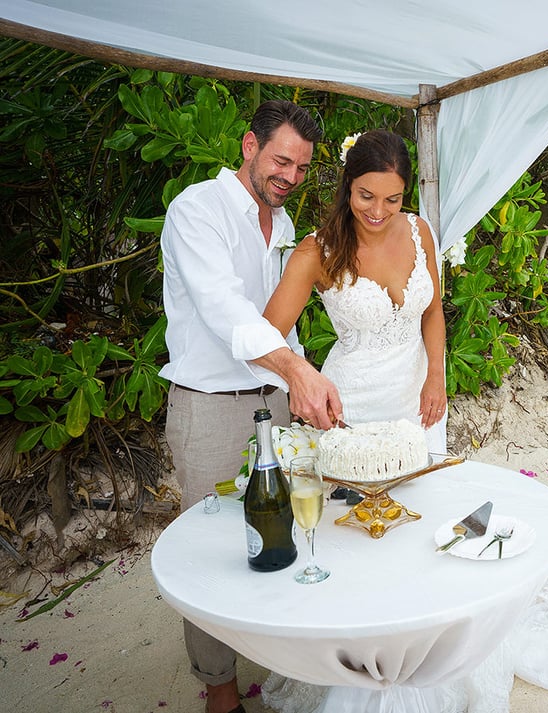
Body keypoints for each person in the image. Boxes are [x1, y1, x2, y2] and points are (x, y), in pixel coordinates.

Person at [160, 99, 342, 713]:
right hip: (209, 408)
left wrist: (300, 382)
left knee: (280, 532)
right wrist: (297, 368)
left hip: (274, 407)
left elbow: (278, 326)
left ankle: (274, 658)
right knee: (212, 553)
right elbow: (226, 313)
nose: (289, 175)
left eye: (300, 167)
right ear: (248, 145)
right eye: (280, 160)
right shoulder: (196, 210)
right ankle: (220, 691)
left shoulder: (285, 228)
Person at [264, 129, 447, 448]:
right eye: (367, 196)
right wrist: (302, 378)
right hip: (350, 413)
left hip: (421, 405)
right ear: (348, 183)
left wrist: (436, 376)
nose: (378, 212)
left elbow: (432, 311)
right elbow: (265, 336)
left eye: (393, 199)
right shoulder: (315, 252)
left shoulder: (420, 231)